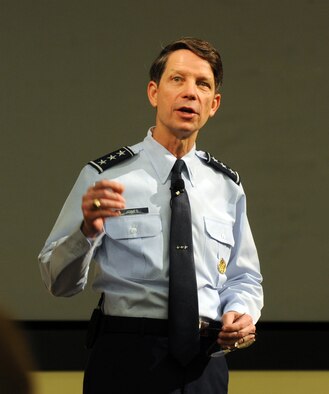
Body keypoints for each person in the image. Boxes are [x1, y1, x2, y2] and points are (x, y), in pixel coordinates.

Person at [38, 37, 263, 394]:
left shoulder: (227, 187)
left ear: (214, 104)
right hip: (126, 360)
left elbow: (244, 278)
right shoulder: (106, 177)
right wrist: (86, 231)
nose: (190, 92)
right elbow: (57, 282)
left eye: (202, 84)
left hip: (205, 366)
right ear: (153, 93)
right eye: (178, 80)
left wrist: (241, 312)